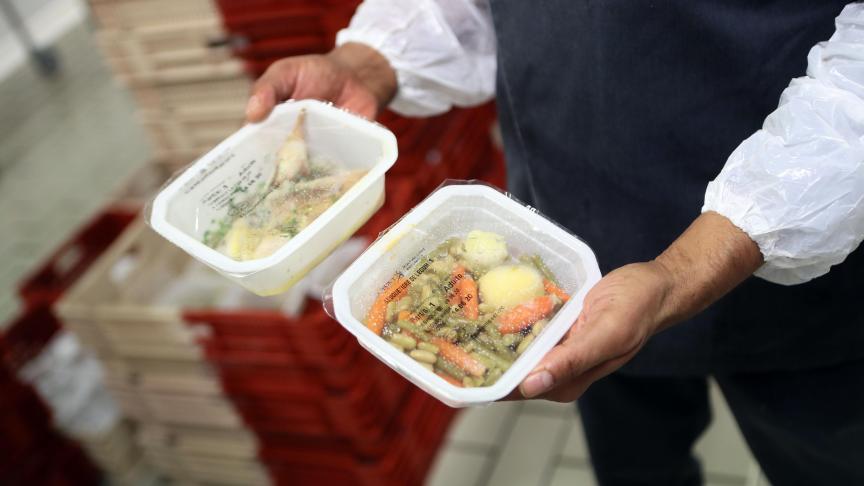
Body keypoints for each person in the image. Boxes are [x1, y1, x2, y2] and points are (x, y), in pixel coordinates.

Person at [245, 2, 864, 484]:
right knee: (636, 467)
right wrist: (365, 64)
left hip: (797, 257)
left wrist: (685, 269)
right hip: (579, 266)